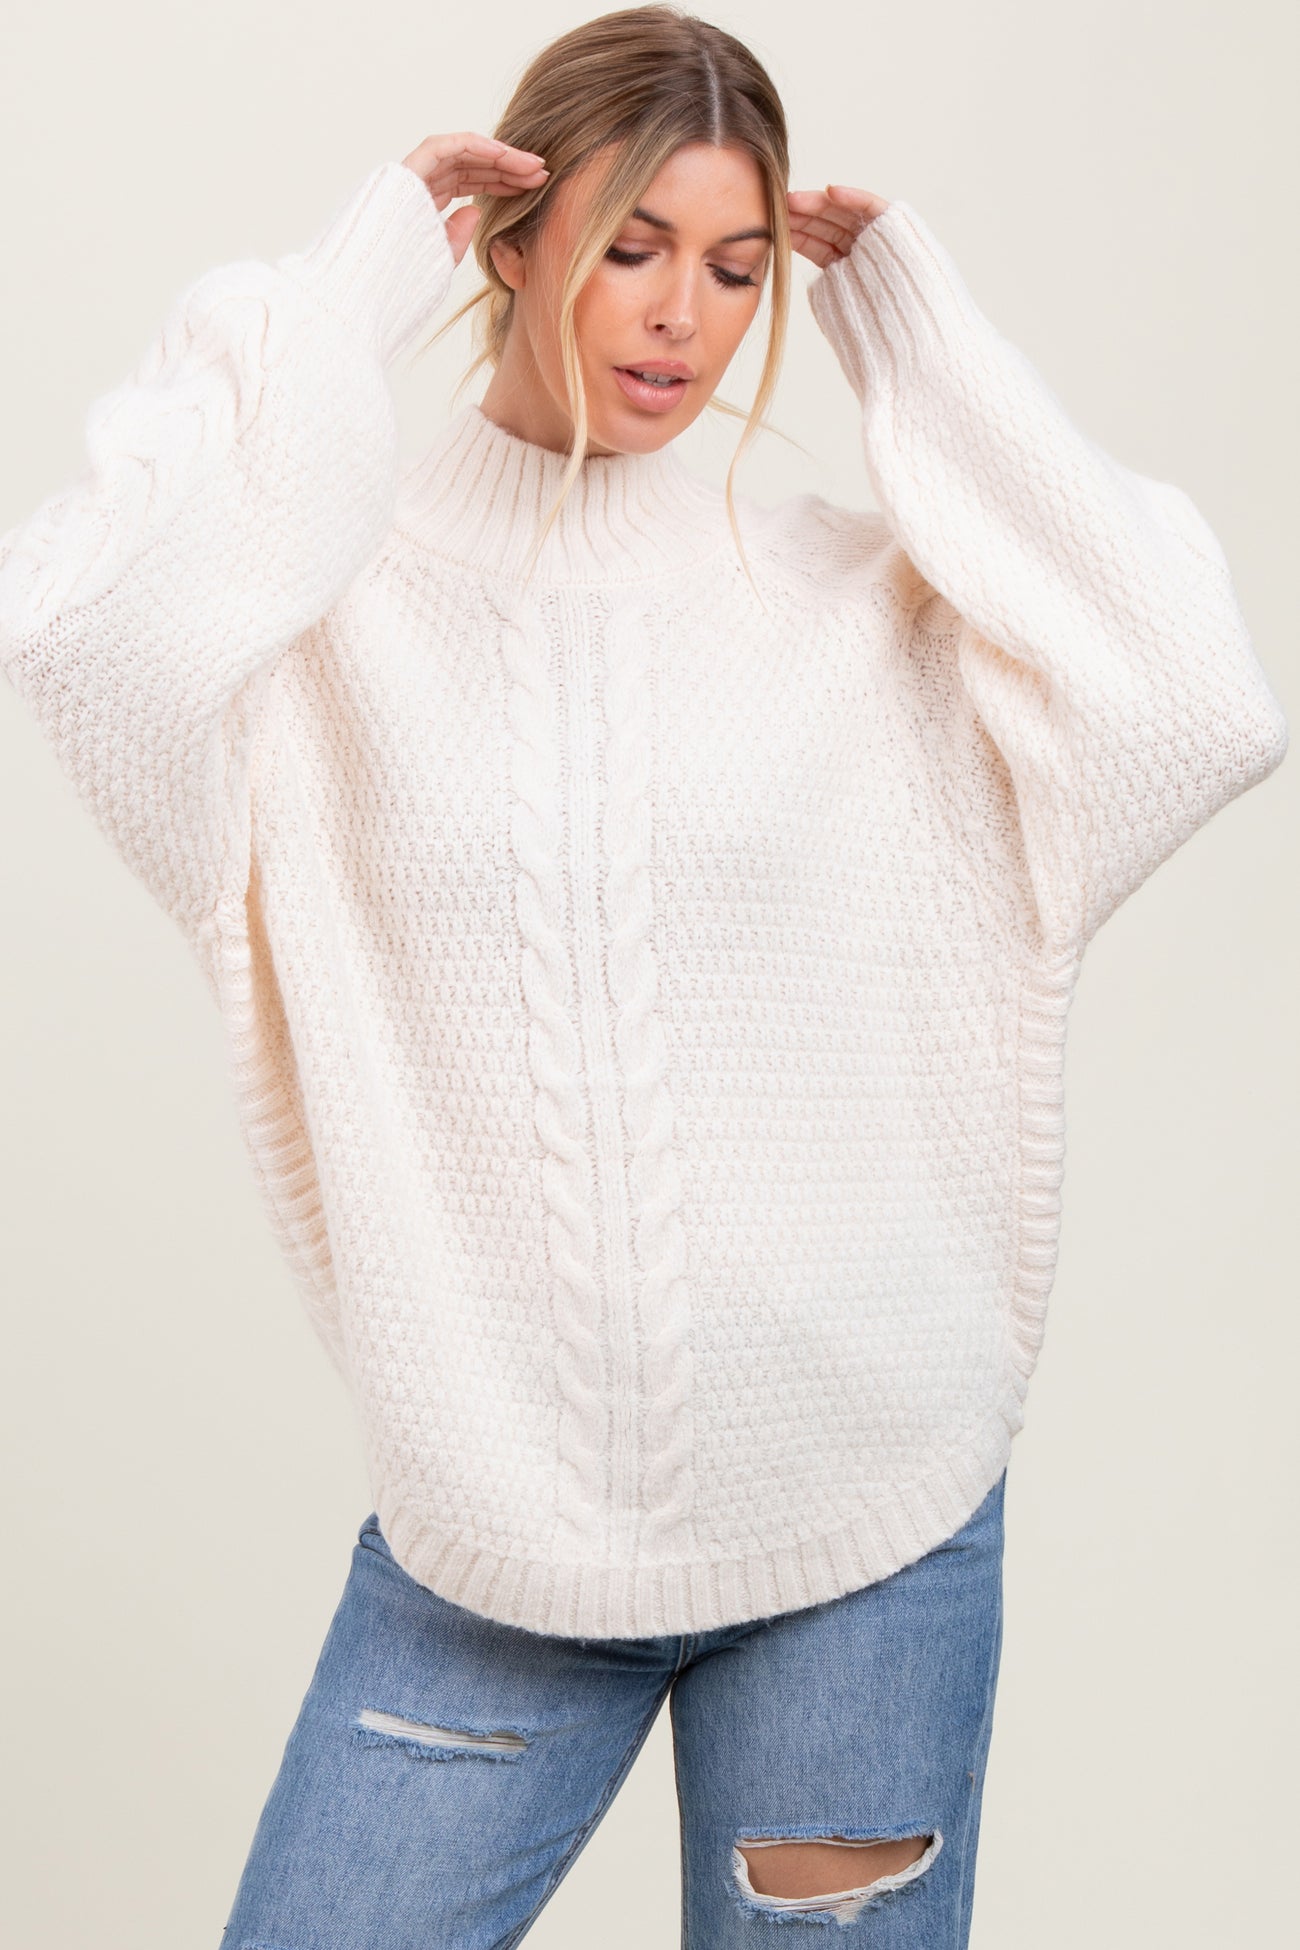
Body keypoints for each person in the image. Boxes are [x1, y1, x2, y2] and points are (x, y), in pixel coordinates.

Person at [0, 6, 1287, 1945]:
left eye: (739, 268)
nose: (683, 314)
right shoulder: (320, 631)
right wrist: (346, 290)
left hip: (867, 1534)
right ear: (511, 243)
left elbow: (1194, 701)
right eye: (630, 245)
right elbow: (87, 636)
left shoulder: (856, 600)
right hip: (496, 1548)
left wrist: (922, 345)